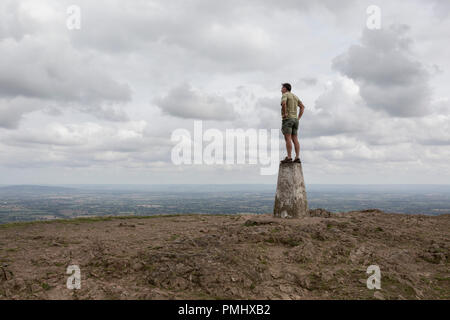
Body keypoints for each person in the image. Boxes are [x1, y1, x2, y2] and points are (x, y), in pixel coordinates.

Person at [280, 83, 305, 163]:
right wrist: (298, 118)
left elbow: (283, 103)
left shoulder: (285, 95)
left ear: (285, 88)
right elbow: (302, 107)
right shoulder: (295, 96)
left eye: (282, 88)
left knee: (288, 139)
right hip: (295, 120)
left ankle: (289, 157)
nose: (281, 90)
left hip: (288, 119)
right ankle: (297, 157)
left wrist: (284, 114)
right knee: (295, 139)